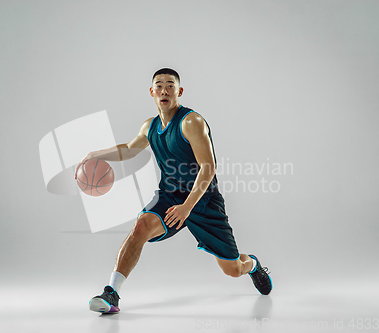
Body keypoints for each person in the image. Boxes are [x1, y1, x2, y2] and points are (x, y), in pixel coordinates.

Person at [75, 68, 272, 314]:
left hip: (203, 201)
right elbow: (129, 149)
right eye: (159, 85)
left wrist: (187, 208)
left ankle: (252, 265)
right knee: (141, 227)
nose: (164, 90)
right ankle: (111, 293)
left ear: (179, 92)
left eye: (170, 85)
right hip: (170, 195)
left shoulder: (191, 121)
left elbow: (208, 168)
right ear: (152, 92)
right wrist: (94, 154)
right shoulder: (150, 126)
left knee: (232, 270)